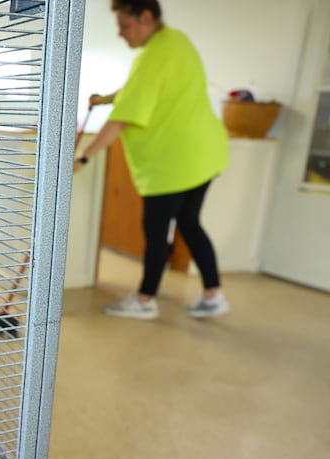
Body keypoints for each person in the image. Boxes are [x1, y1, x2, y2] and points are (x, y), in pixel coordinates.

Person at [73, 0, 230, 320]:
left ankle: (145, 301)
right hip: (205, 153)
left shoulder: (151, 57)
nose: (120, 33)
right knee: (189, 224)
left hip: (172, 162)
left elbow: (121, 120)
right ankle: (214, 295)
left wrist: (84, 157)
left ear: (146, 17)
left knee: (156, 232)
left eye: (124, 25)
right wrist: (105, 99)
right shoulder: (176, 42)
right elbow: (138, 91)